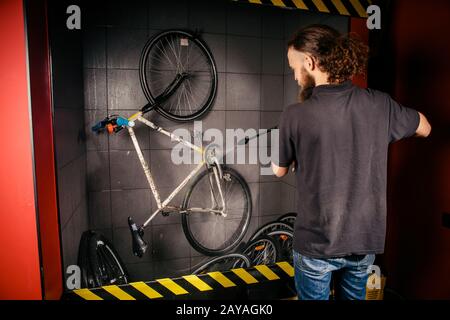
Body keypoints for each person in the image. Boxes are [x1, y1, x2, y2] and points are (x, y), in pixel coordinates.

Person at [271, 24, 431, 300]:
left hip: (316, 245)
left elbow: (279, 170)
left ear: (309, 62)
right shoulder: (380, 104)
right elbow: (425, 127)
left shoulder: (295, 115)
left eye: (294, 67)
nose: (295, 76)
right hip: (363, 242)